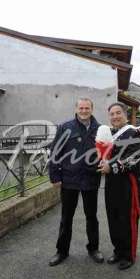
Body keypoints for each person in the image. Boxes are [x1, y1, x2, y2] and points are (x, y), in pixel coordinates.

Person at [48, 98, 104, 266]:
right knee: (66, 217)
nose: (84, 111)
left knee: (92, 216)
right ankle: (62, 251)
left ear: (92, 109)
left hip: (90, 178)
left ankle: (93, 248)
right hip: (69, 179)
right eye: (81, 108)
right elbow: (55, 152)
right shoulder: (65, 127)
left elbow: (106, 151)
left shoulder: (100, 129)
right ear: (76, 109)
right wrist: (55, 176)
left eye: (87, 108)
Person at [98, 103, 140, 270]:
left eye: (118, 113)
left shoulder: (135, 132)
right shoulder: (110, 133)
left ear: (125, 114)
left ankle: (129, 255)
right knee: (113, 217)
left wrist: (111, 166)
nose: (115, 116)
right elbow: (103, 154)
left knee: (127, 218)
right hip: (111, 183)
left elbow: (134, 156)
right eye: (112, 114)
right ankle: (118, 250)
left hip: (128, 184)